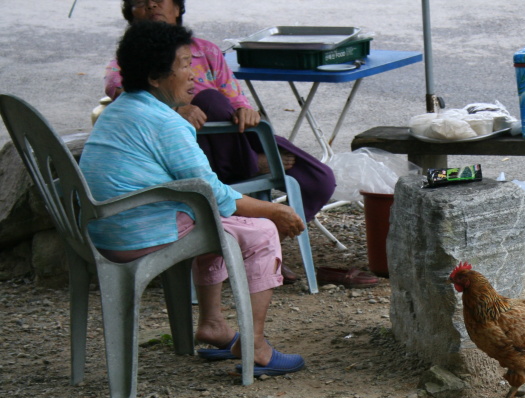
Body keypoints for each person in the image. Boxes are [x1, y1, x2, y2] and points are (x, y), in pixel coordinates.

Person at [81, 20, 306, 377]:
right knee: (260, 231)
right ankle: (257, 347)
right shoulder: (165, 124)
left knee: (211, 220)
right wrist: (274, 211)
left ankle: (214, 324)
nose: (193, 75)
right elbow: (214, 194)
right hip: (139, 233)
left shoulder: (118, 111)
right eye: (185, 65)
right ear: (156, 77)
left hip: (105, 228)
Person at [104, 0, 337, 283]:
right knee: (210, 100)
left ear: (178, 8)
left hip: (232, 134)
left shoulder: (207, 50)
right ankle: (253, 177)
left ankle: (262, 246)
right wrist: (177, 110)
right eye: (140, 2)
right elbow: (128, 95)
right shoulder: (129, 73)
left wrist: (242, 108)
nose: (151, 5)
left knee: (318, 177)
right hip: (191, 152)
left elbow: (234, 95)